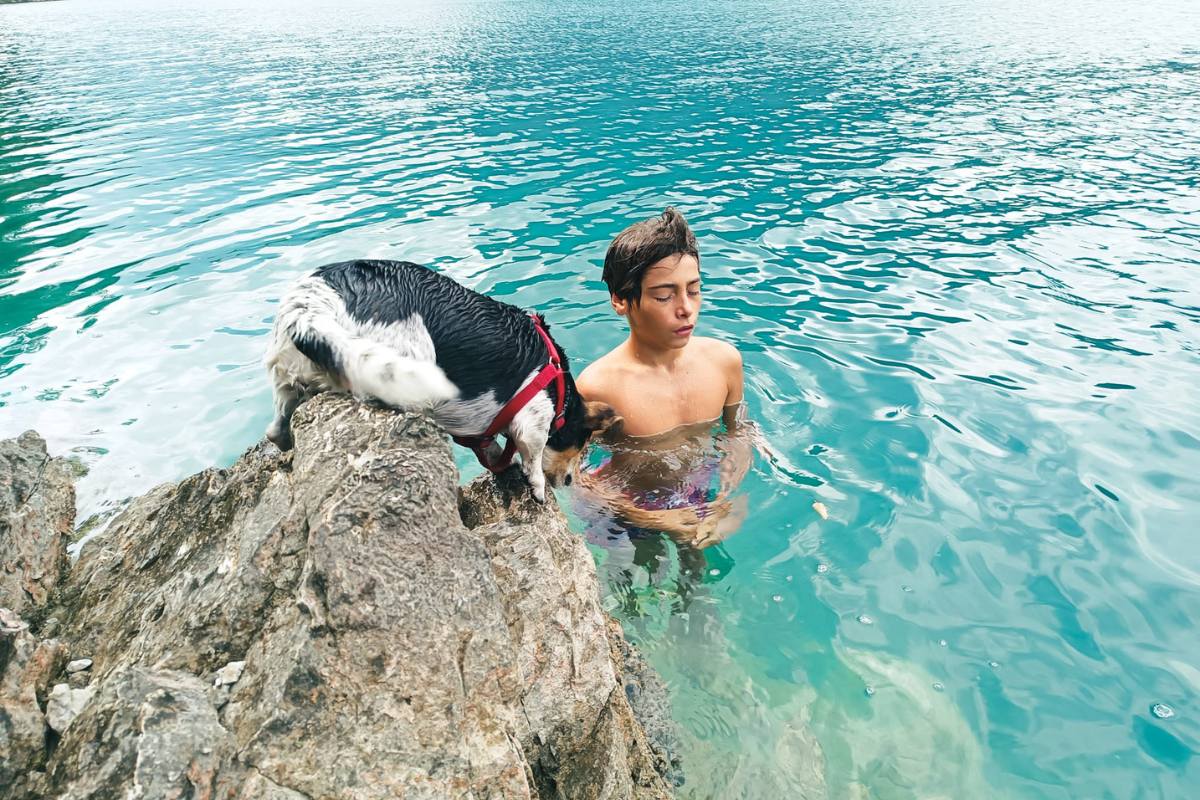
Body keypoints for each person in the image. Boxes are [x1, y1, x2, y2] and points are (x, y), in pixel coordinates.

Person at [574, 207, 753, 549]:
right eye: (664, 296)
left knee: (696, 574)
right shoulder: (598, 386)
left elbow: (739, 432)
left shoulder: (724, 362)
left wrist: (730, 498)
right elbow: (573, 478)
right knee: (635, 576)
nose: (686, 308)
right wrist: (653, 519)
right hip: (626, 510)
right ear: (620, 300)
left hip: (698, 492)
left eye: (694, 289)